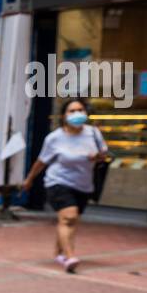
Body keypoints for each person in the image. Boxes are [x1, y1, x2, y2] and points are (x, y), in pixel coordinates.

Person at [20, 97, 110, 272]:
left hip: (83, 184)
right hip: (58, 181)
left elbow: (104, 155)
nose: (77, 114)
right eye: (72, 111)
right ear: (63, 116)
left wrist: (96, 156)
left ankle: (59, 252)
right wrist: (29, 179)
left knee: (72, 220)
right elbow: (41, 161)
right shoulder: (55, 138)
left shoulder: (93, 133)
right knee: (68, 217)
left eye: (80, 110)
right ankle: (70, 257)